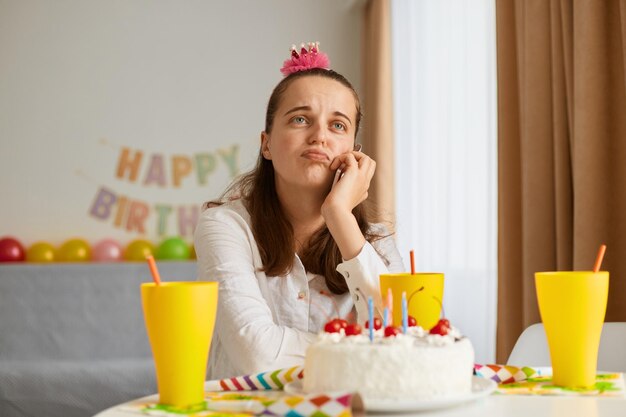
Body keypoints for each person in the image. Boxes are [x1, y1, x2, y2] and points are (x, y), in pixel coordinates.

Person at [194, 42, 404, 379]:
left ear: (353, 151)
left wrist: (339, 216)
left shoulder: (374, 241)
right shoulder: (225, 226)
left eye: (338, 125)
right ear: (267, 144)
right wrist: (365, 351)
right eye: (301, 119)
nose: (319, 136)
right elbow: (257, 356)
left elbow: (406, 349)